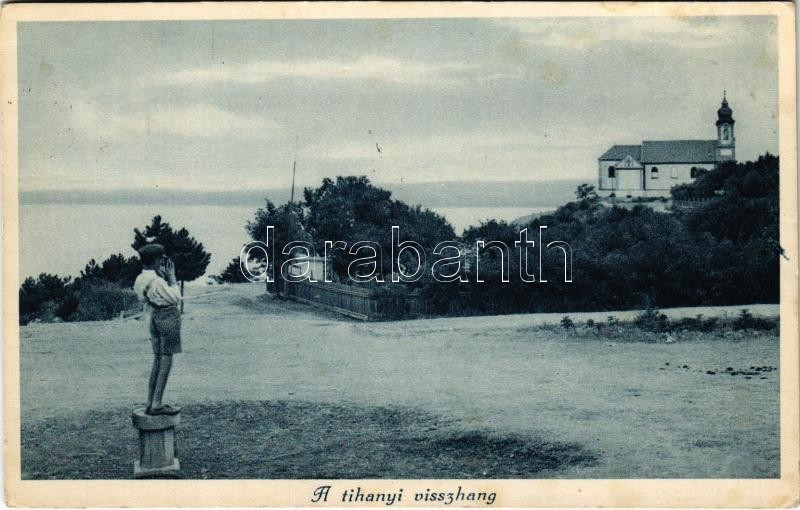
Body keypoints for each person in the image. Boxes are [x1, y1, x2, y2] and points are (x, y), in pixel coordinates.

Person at [133, 243, 182, 416]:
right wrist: (172, 278)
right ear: (156, 261)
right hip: (167, 317)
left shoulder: (140, 279)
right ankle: (157, 404)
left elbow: (143, 299)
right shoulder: (158, 282)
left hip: (153, 317)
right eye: (161, 260)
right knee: (166, 359)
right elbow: (176, 298)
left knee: (157, 360)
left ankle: (150, 402)